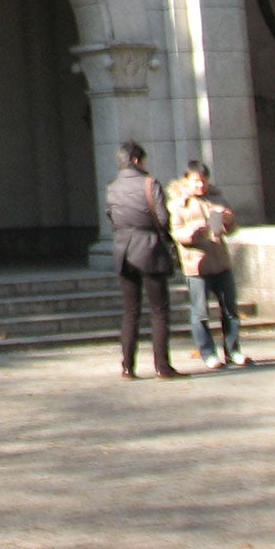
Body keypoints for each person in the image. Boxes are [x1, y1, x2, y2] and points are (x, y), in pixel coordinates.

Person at [105, 139, 181, 379]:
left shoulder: (112, 187)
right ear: (137, 160)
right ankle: (162, 365)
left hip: (123, 250)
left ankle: (127, 365)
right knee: (159, 310)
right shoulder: (150, 183)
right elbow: (162, 217)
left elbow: (111, 216)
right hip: (149, 248)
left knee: (131, 311)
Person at [169, 160, 248, 369]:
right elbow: (176, 234)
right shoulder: (178, 203)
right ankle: (207, 352)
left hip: (220, 260)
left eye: (203, 181)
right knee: (200, 312)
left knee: (230, 310)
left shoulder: (217, 199)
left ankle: (233, 350)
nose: (200, 186)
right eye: (196, 181)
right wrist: (192, 231)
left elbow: (230, 230)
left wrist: (229, 221)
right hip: (197, 265)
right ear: (187, 181)